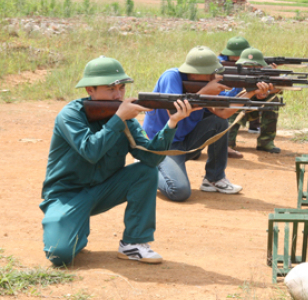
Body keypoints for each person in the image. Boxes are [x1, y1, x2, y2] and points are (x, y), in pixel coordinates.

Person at [40, 56, 198, 266]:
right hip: (67, 196)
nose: (118, 94)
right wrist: (118, 119)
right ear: (90, 90)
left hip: (103, 190)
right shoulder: (70, 115)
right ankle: (75, 228)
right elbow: (91, 151)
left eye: (121, 88)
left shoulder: (125, 118)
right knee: (60, 256)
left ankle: (134, 243)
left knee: (145, 172)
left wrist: (172, 122)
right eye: (110, 89)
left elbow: (150, 158)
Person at [142, 46, 274, 201]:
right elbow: (174, 113)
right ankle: (144, 168)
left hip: (184, 143)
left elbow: (222, 113)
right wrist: (205, 92)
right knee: (179, 191)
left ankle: (214, 178)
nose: (214, 77)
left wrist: (251, 92)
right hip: (161, 146)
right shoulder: (171, 77)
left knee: (218, 122)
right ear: (195, 72)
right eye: (211, 73)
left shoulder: (204, 84)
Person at [227, 47, 282, 154]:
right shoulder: (233, 74)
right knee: (233, 102)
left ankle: (265, 142)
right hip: (234, 110)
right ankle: (227, 143)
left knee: (273, 100)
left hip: (254, 109)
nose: (251, 69)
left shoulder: (266, 74)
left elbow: (278, 88)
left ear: (262, 66)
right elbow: (229, 93)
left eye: (256, 66)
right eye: (247, 66)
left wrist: (267, 92)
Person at [218, 36, 251, 159]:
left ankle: (264, 139)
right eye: (235, 56)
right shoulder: (219, 65)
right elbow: (223, 96)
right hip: (224, 102)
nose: (238, 59)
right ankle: (225, 144)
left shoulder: (250, 60)